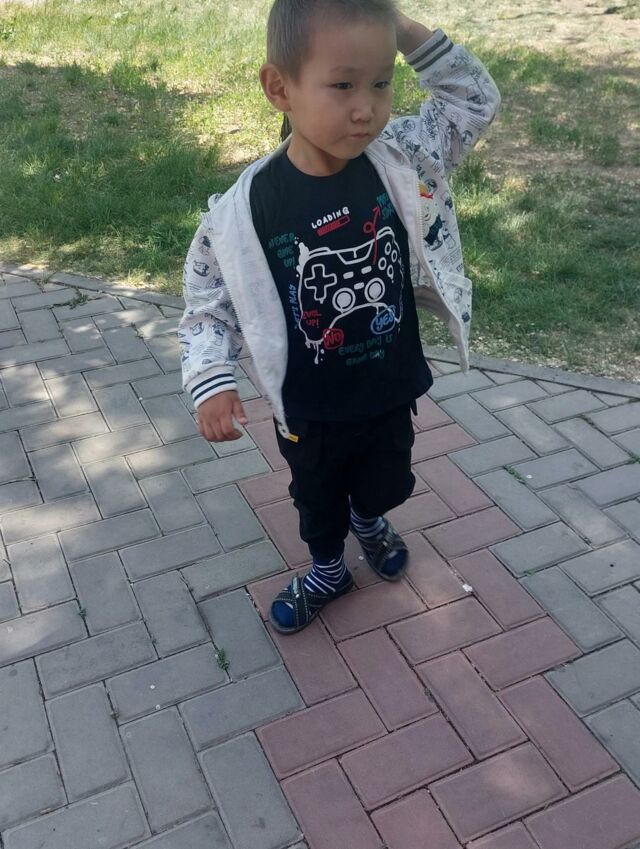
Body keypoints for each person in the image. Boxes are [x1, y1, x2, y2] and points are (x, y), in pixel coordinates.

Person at [178, 0, 500, 634]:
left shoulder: (401, 156)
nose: (366, 108)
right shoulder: (243, 210)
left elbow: (473, 102)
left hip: (389, 387)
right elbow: (207, 303)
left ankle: (369, 520)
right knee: (316, 498)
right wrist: (210, 379)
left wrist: (394, 22)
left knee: (386, 483)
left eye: (381, 82)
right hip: (311, 410)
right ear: (280, 89)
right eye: (343, 85)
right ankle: (328, 567)